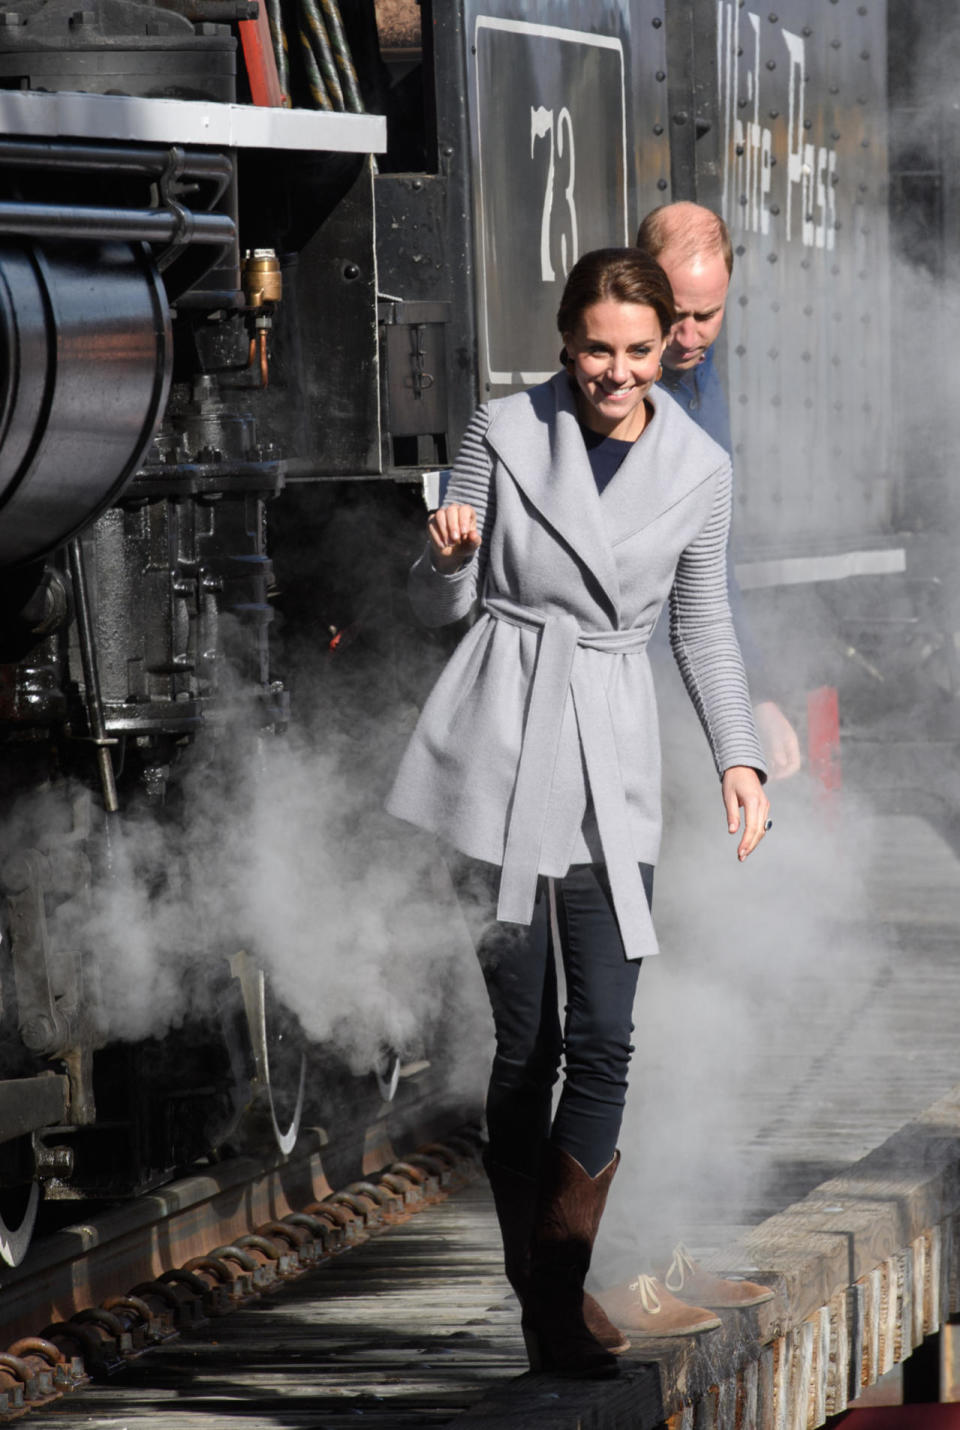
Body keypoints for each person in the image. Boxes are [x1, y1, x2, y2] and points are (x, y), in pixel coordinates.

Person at [387, 248, 770, 1378]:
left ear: (666, 353)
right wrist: (448, 556)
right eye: (596, 347)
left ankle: (556, 1283)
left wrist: (737, 757)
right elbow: (433, 602)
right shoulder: (501, 431)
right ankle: (548, 1301)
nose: (614, 371)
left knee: (604, 1033)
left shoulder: (700, 465)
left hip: (610, 749)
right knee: (528, 1043)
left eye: (636, 352)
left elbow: (699, 626)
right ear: (566, 341)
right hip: (500, 737)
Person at [638, 202, 802, 781]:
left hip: (686, 681)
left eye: (706, 315)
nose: (688, 337)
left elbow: (711, 564)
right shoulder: (619, 393)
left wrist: (755, 697)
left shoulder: (702, 376)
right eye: (674, 315)